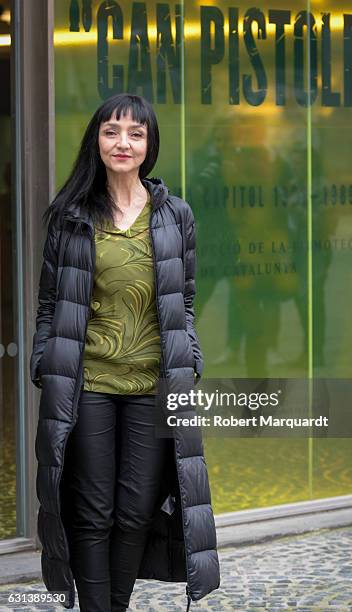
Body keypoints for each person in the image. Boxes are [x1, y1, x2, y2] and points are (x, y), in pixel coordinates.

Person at [30, 93, 220, 612]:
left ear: (149, 146)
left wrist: (192, 357)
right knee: (93, 513)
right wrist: (45, 360)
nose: (123, 142)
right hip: (86, 382)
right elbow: (49, 304)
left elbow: (184, 299)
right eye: (113, 131)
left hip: (154, 385)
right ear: (97, 139)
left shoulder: (175, 216)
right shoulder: (70, 217)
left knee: (136, 511)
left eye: (135, 134)